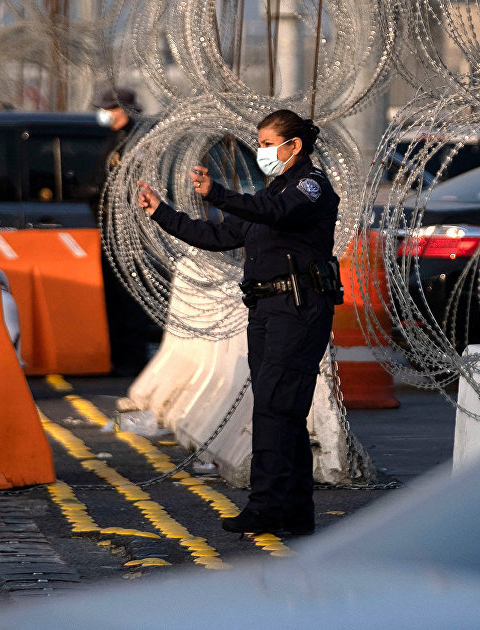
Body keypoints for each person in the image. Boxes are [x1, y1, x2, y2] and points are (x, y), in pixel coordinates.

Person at [136, 109, 342, 535]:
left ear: (294, 146)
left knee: (275, 408)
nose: (262, 152)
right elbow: (217, 236)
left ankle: (266, 506)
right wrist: (162, 212)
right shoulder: (268, 194)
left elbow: (280, 212)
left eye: (268, 144)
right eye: (260, 144)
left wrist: (218, 193)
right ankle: (296, 511)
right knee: (283, 411)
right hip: (266, 310)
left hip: (299, 307)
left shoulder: (309, 187)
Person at [94, 86, 155, 376]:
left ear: (127, 110)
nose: (106, 115)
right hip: (111, 226)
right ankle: (120, 357)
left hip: (128, 227)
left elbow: (134, 184)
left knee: (129, 292)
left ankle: (132, 359)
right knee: (115, 296)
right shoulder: (117, 139)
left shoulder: (138, 141)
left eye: (112, 109)